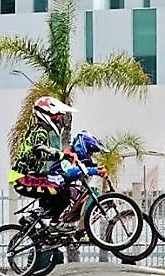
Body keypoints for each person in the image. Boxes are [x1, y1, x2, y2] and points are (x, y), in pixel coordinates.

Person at [8, 96, 107, 232]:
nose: (59, 119)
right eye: (57, 116)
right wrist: (63, 155)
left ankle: (39, 219)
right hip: (24, 179)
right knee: (61, 189)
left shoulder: (37, 130)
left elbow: (41, 153)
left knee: (61, 189)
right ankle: (50, 222)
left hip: (25, 177)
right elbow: (40, 150)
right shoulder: (40, 132)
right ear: (47, 114)